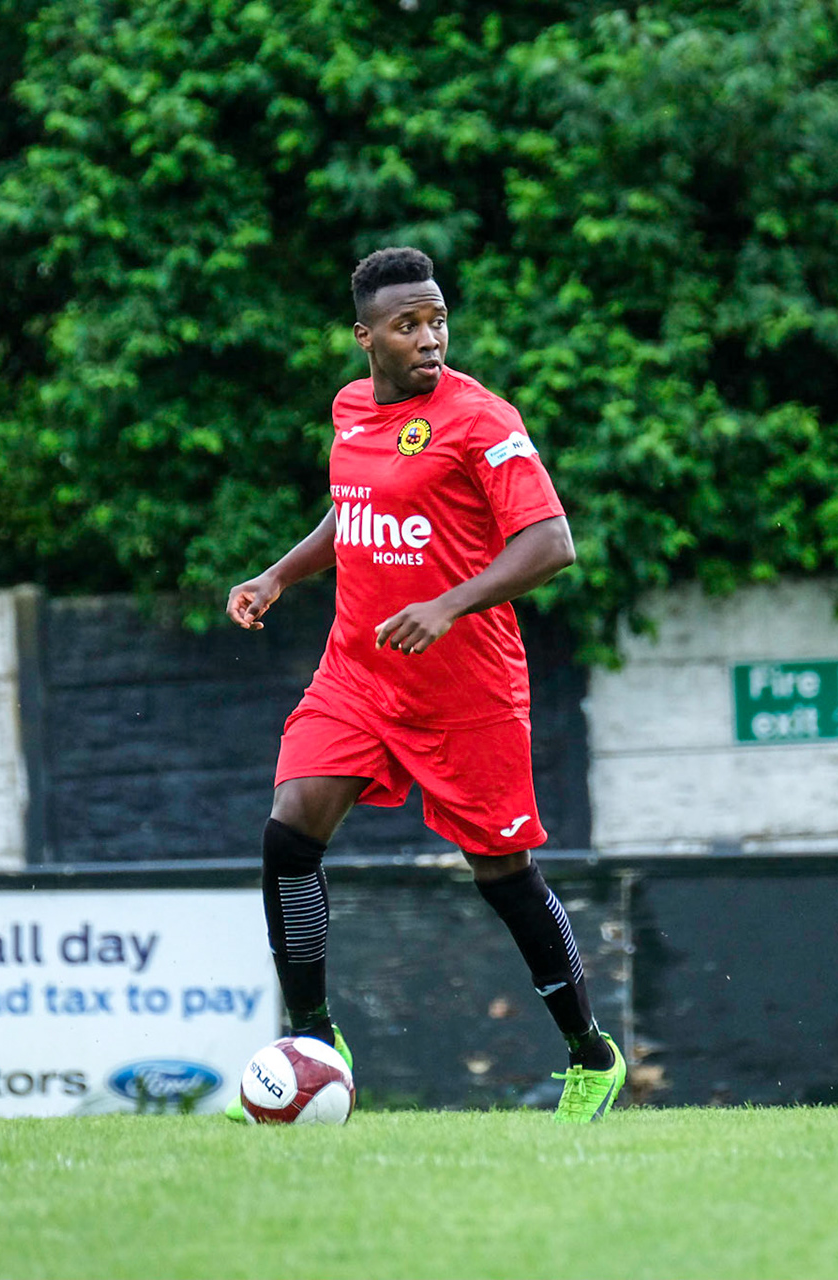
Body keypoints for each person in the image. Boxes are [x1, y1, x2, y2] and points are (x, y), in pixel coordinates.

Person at [222, 246, 624, 1123]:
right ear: (366, 336)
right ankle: (315, 1044)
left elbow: (551, 544)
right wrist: (280, 576)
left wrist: (449, 604)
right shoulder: (351, 409)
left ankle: (591, 1056)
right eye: (407, 324)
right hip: (359, 673)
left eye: (437, 319)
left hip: (466, 689)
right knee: (290, 832)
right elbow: (352, 504)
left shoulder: (481, 419)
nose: (429, 337)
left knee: (502, 874)